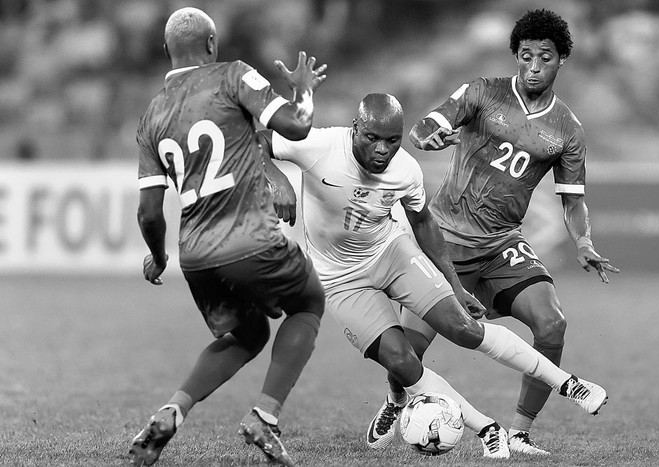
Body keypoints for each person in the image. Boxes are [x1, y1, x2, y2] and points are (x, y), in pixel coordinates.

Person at [261, 92, 608, 459]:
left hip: (392, 253)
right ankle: (487, 428)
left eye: (392, 140)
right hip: (341, 280)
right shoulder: (317, 145)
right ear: (355, 129)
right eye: (372, 138)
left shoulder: (406, 169)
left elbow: (423, 222)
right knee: (403, 359)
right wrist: (275, 179)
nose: (382, 150)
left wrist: (455, 287)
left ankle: (570, 385)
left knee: (464, 328)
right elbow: (255, 140)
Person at [397, 8, 621, 456]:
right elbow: (427, 126)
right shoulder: (482, 93)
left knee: (552, 323)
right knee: (406, 354)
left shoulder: (568, 130)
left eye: (545, 57)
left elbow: (573, 200)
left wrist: (583, 242)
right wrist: (429, 138)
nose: (534, 67)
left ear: (562, 61)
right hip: (444, 240)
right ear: (515, 56)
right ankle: (393, 402)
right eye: (525, 56)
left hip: (502, 244)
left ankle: (519, 430)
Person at [128, 7, 327, 467]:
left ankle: (173, 409)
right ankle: (266, 417)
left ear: (167, 52)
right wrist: (302, 91)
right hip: (250, 237)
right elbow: (297, 126)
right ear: (212, 45)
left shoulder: (152, 114)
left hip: (196, 257)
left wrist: (157, 257)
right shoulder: (233, 74)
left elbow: (149, 211)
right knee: (308, 303)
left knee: (249, 331)